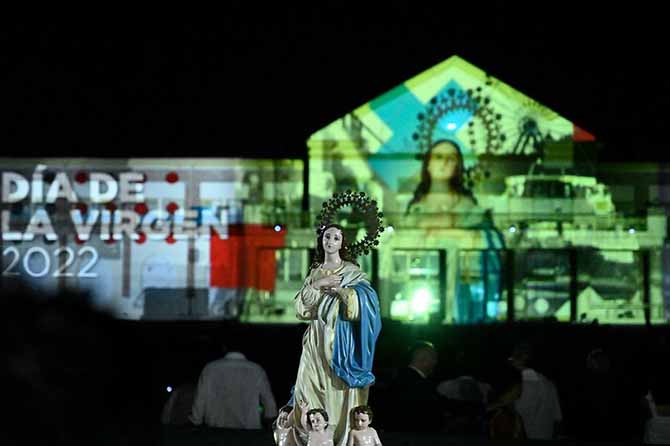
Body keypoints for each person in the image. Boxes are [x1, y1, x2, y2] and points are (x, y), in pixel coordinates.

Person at [287, 223, 382, 446]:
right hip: (315, 341)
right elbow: (302, 308)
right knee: (308, 387)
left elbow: (367, 304)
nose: (330, 241)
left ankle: (339, 438)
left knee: (337, 390)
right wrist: (319, 284)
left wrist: (342, 292)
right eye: (327, 236)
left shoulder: (352, 272)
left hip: (340, 342)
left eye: (336, 238)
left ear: (342, 243)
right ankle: (312, 437)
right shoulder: (315, 272)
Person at [406, 139, 504, 324]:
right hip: (426, 282)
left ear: (458, 165)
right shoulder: (416, 207)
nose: (444, 163)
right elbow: (409, 239)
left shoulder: (468, 206)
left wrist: (453, 233)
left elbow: (486, 239)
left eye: (450, 158)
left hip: (463, 285)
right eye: (438, 157)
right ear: (428, 163)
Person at [189, 348, 278, 429]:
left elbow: (199, 404)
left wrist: (196, 420)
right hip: (249, 435)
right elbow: (270, 407)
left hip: (215, 433)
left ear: (224, 348)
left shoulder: (210, 368)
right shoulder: (256, 370)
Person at [504, 341, 562, 440]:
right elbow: (557, 417)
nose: (512, 359)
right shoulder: (548, 382)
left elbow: (521, 409)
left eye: (515, 356)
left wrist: (509, 404)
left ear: (524, 358)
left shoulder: (528, 381)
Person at [386, 341, 446, 431]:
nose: (435, 362)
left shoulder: (401, 378)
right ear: (422, 358)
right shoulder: (419, 385)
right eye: (433, 357)